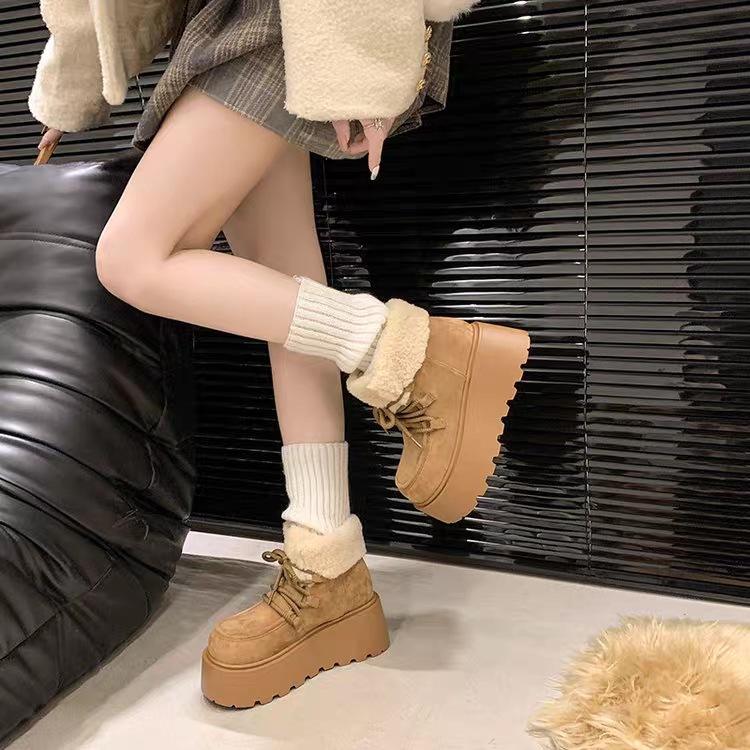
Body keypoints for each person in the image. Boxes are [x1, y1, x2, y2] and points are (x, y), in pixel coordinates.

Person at [29, 0, 530, 708]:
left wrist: (365, 52)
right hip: (237, 21)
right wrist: (71, 83)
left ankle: (408, 355)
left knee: (133, 257)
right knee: (288, 291)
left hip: (297, 17)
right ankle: (329, 564)